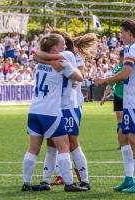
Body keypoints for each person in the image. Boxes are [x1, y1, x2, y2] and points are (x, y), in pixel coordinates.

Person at [22, 33, 87, 192]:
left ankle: (26, 183)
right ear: (55, 48)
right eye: (63, 44)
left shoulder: (40, 63)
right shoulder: (63, 59)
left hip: (34, 110)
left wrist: (46, 59)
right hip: (52, 111)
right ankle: (70, 184)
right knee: (65, 147)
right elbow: (79, 77)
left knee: (33, 148)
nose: (65, 46)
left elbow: (37, 55)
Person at [95, 19, 135, 193]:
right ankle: (129, 178)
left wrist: (104, 80)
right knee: (123, 137)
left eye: (121, 32)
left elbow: (125, 73)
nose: (120, 36)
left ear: (129, 32)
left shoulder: (133, 49)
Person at [33, 32, 97, 190]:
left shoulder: (67, 54)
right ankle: (46, 181)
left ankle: (85, 179)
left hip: (69, 106)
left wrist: (42, 57)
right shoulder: (57, 56)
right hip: (54, 107)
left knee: (72, 144)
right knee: (51, 144)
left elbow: (38, 54)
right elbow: (37, 55)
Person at [100, 49, 124, 148]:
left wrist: (105, 96)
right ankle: (125, 142)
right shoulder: (130, 67)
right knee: (127, 121)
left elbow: (110, 83)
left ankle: (121, 143)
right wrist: (105, 96)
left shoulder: (117, 68)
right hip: (128, 97)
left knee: (120, 121)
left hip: (118, 96)